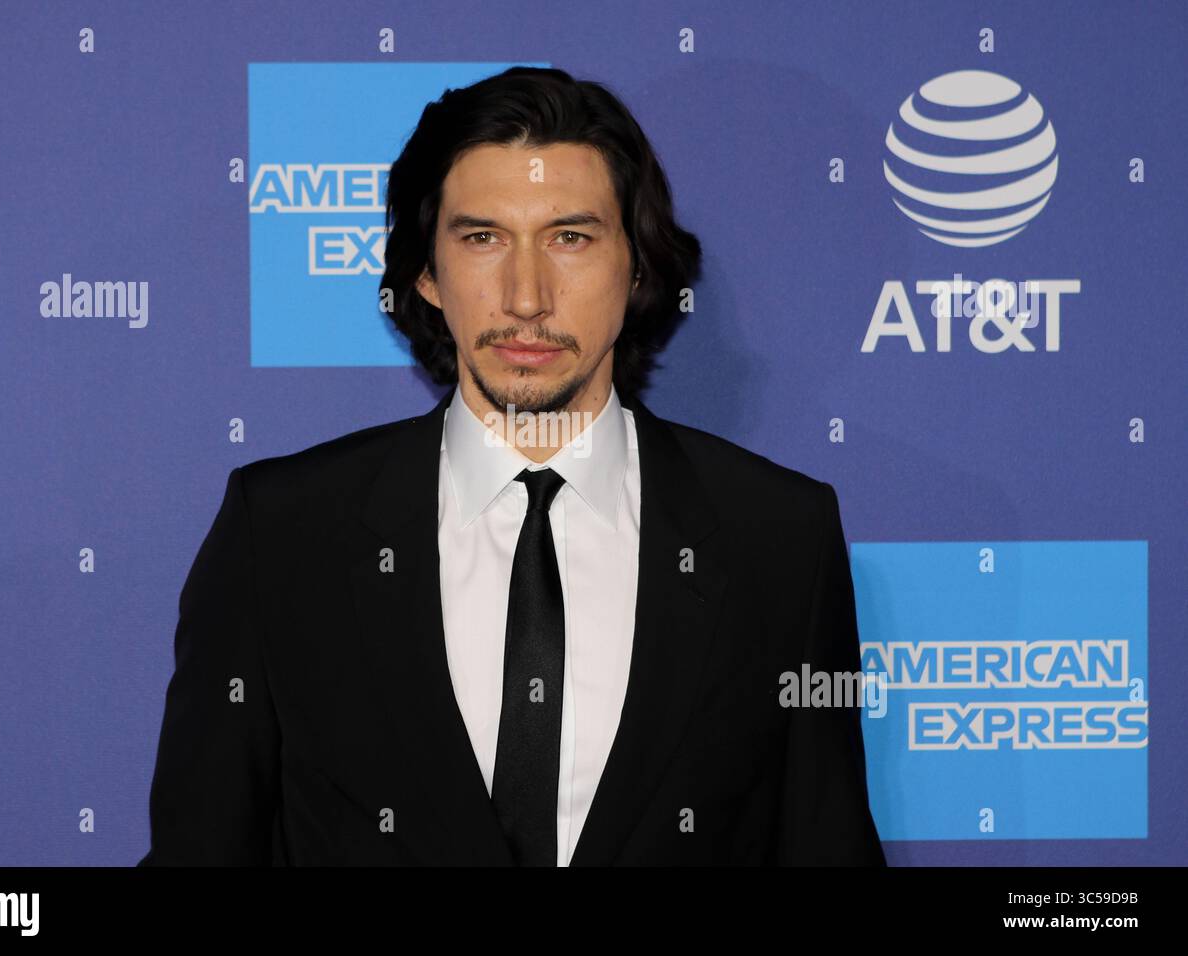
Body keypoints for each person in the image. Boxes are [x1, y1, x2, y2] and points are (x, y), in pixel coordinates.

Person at [139, 66, 885, 866]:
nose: (526, 297)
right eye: (482, 238)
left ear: (637, 268)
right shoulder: (282, 533)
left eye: (570, 237)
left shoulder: (776, 537)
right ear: (426, 274)